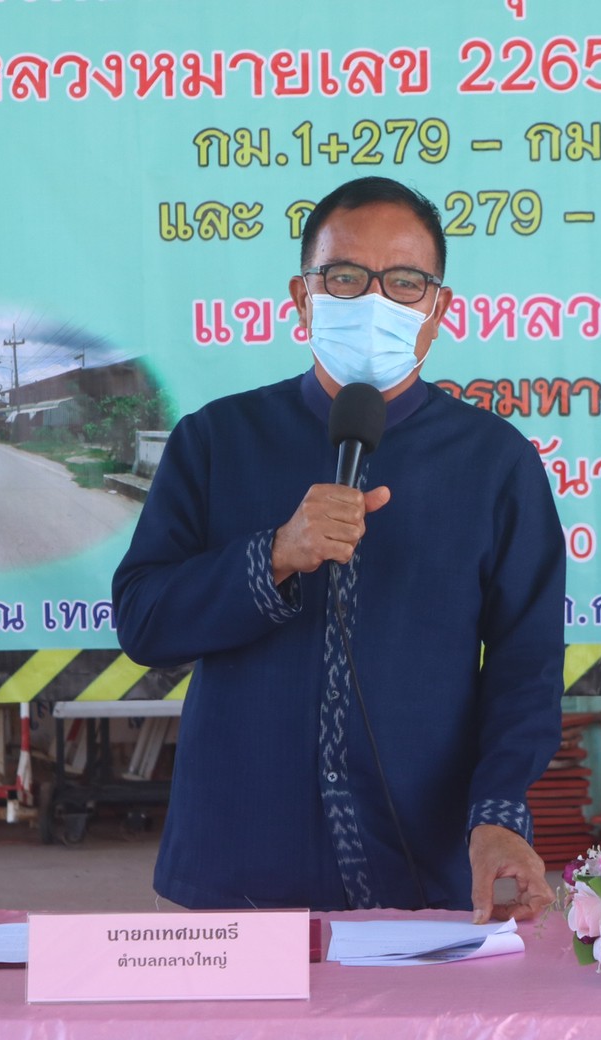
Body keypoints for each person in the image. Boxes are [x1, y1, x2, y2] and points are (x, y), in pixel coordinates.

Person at [113, 176, 565, 921]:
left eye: (405, 282)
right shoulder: (217, 440)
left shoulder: (495, 461)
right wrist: (274, 556)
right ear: (303, 297)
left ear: (438, 308)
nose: (375, 301)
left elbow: (527, 664)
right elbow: (143, 623)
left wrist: (497, 813)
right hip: (238, 860)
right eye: (346, 277)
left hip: (431, 863)